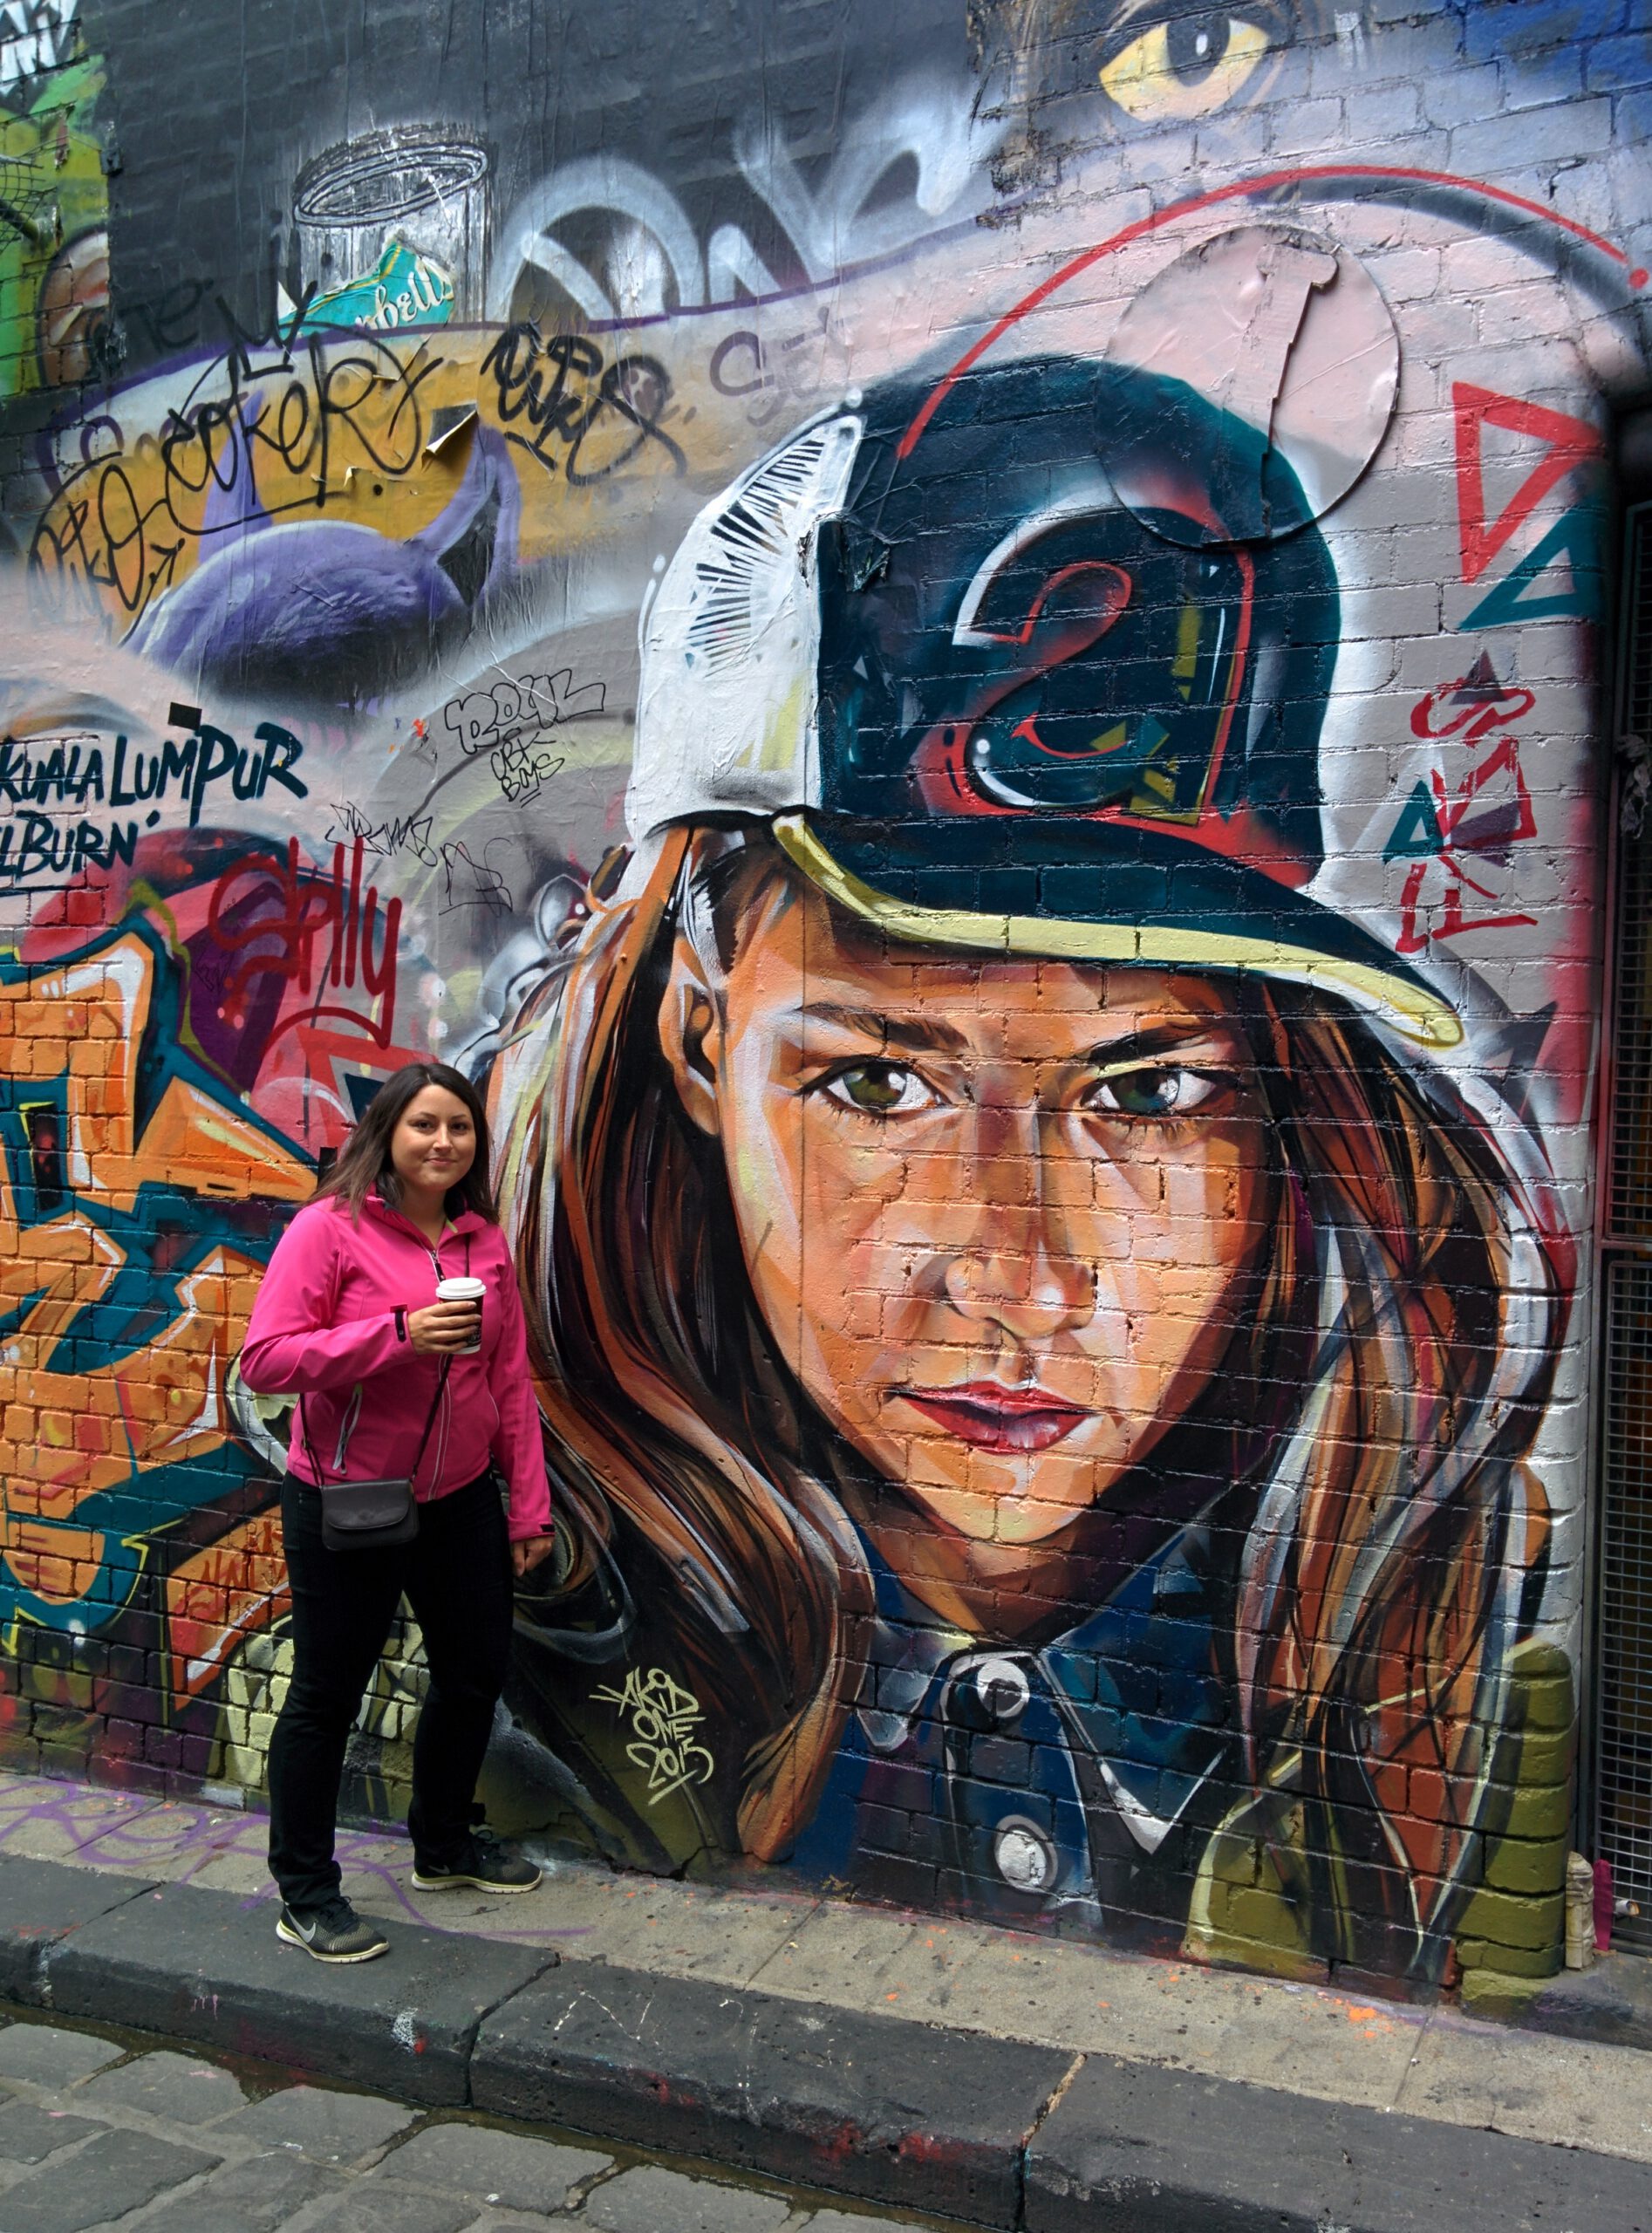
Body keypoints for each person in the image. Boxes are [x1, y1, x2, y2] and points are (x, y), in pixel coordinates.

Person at [486, 355, 1570, 1984]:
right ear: (699, 1039)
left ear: (1282, 1098)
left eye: (1148, 1094)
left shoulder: (1463, 1685)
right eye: (879, 1082)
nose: (1022, 1278)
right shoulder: (492, 1652)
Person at [242, 1061, 553, 1963]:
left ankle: (443, 1844)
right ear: (388, 1132)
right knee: (327, 1695)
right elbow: (266, 1359)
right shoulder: (328, 1230)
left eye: (459, 1126)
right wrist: (398, 1336)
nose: (442, 1142)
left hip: (460, 1500)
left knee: (472, 1673)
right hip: (349, 1498)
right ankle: (305, 1893)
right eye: (424, 1124)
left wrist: (527, 1510)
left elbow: (509, 1380)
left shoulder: (481, 1242)